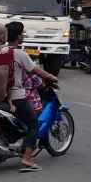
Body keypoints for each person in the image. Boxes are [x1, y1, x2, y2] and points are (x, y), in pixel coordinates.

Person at [4, 21, 58, 171]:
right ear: (19, 37)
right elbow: (36, 70)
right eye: (22, 33)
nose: (24, 36)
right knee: (33, 123)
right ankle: (27, 159)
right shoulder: (20, 54)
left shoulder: (1, 51)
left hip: (0, 94)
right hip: (16, 95)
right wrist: (51, 77)